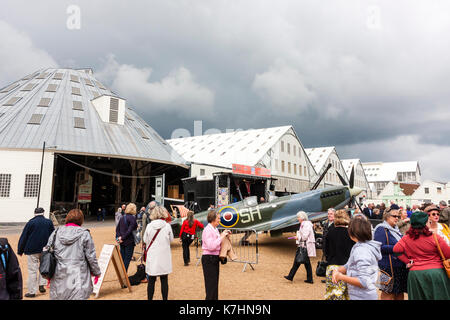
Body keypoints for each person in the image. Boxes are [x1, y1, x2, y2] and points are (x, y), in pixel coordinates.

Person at [393, 211, 450, 300]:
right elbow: (447, 254)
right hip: (435, 272)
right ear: (425, 223)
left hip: (415, 274)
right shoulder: (435, 237)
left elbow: (396, 250)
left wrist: (408, 261)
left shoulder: (406, 238)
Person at [46, 209, 101, 300]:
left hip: (59, 271)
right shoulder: (84, 234)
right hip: (78, 273)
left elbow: (48, 250)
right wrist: (96, 272)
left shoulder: (56, 232)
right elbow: (91, 256)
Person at [331, 216, 382, 300]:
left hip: (362, 296)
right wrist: (337, 270)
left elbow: (363, 281)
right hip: (362, 295)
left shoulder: (361, 250)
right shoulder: (361, 246)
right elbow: (349, 265)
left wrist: (341, 277)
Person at [17, 207, 54, 298]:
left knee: (32, 271)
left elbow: (24, 237)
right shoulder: (49, 222)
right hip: (45, 249)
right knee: (44, 267)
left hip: (32, 249)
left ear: (34, 213)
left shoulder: (30, 223)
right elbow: (53, 235)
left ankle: (32, 291)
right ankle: (42, 284)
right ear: (43, 213)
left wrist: (20, 250)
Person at [373, 207, 408, 300]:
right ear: (387, 217)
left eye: (398, 216)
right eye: (394, 216)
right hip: (386, 268)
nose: (397, 218)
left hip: (399, 267)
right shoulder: (381, 229)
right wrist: (397, 248)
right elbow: (379, 247)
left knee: (400, 292)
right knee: (387, 292)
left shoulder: (396, 230)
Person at [143, 206, 174, 300]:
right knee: (164, 280)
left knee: (151, 281)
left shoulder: (149, 226)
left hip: (153, 256)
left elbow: (145, 239)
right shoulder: (167, 226)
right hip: (164, 256)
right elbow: (171, 240)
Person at [324, 210, 355, 300]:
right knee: (348, 294)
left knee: (333, 295)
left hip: (332, 266)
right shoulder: (351, 233)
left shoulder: (330, 232)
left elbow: (326, 251)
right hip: (347, 266)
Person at [201, 210, 231, 300]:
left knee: (214, 285)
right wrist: (221, 237)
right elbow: (211, 246)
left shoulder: (215, 229)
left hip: (214, 258)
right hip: (209, 259)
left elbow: (217, 242)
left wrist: (224, 235)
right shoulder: (207, 230)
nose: (219, 220)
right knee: (211, 286)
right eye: (218, 218)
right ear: (213, 219)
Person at [284, 211, 316, 284]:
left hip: (304, 246)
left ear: (302, 218)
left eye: (298, 217)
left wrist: (298, 238)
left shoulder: (306, 225)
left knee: (299, 261)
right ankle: (307, 278)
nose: (298, 218)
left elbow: (304, 236)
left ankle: (291, 276)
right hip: (304, 245)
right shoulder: (305, 224)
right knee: (304, 262)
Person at [116, 203, 138, 272]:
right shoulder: (133, 218)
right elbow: (130, 230)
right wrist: (122, 238)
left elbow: (117, 229)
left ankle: (121, 273)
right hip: (129, 241)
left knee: (122, 258)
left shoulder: (123, 217)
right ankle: (124, 275)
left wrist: (119, 238)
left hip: (122, 241)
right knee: (127, 259)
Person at [321, 208, 335, 283]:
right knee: (328, 263)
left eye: (331, 214)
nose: (329, 215)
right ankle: (328, 277)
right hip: (326, 247)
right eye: (328, 214)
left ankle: (331, 278)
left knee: (332, 264)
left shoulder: (335, 224)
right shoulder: (326, 224)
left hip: (332, 248)